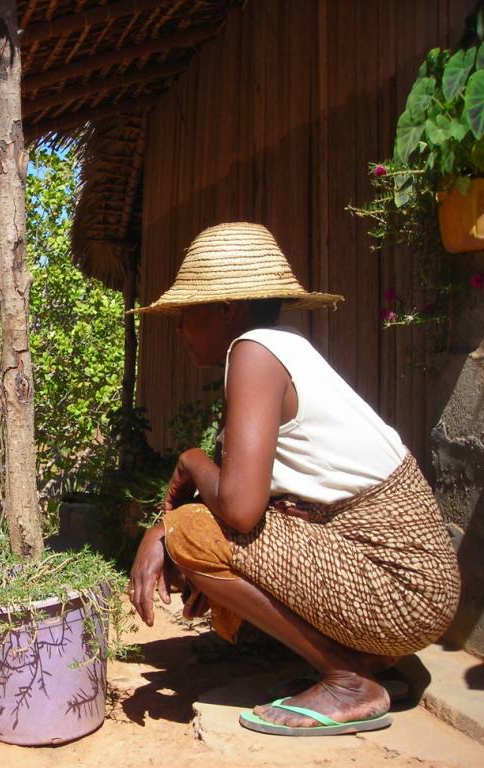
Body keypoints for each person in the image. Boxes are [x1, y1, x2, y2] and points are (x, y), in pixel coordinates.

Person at [127, 222, 460, 736]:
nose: (179, 328)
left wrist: (190, 467)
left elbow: (238, 509)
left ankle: (349, 679)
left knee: (194, 528)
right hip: (415, 590)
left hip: (402, 592)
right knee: (199, 530)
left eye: (187, 312)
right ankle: (373, 664)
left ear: (226, 309)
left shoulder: (254, 352)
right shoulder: (283, 348)